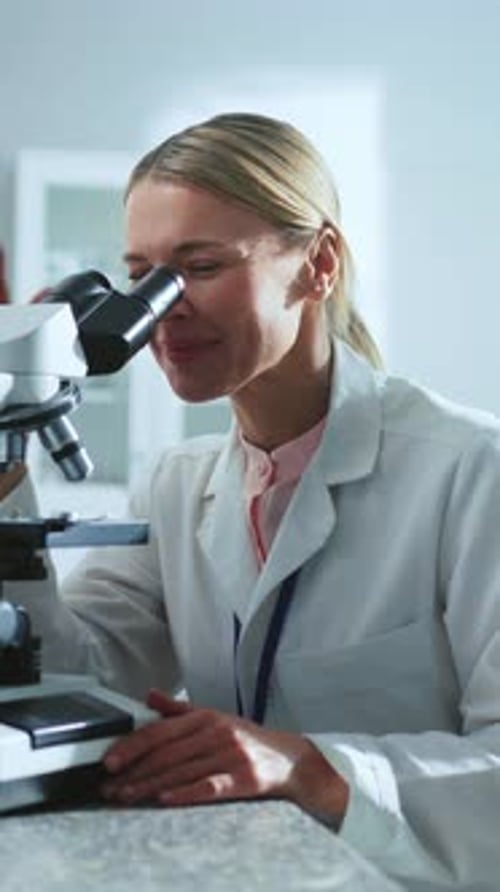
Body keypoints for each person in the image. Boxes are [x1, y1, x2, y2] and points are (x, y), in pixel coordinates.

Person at [2, 112, 500, 889]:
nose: (159, 308)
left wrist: (307, 766)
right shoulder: (178, 482)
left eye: (198, 267)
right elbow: (77, 676)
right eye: (139, 276)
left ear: (318, 263)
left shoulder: (472, 470)